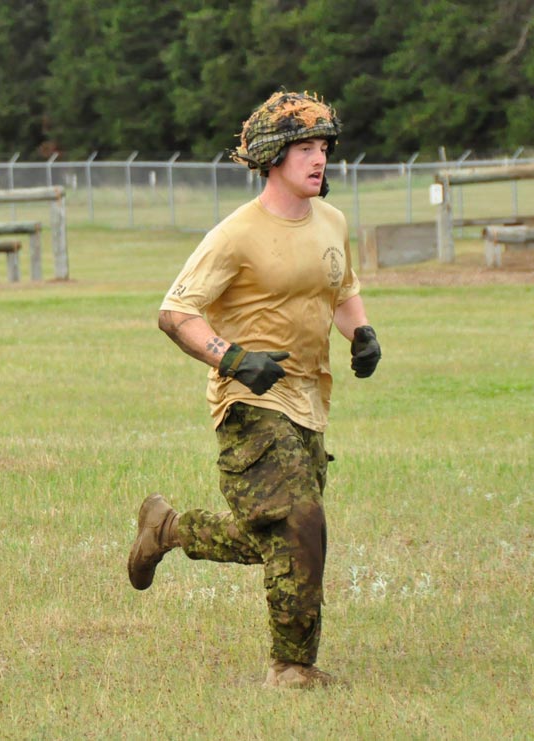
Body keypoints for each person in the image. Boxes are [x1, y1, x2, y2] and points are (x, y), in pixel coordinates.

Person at [127, 90, 381, 689]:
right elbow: (175, 312)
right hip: (248, 404)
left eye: (324, 148)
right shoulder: (235, 234)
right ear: (272, 157)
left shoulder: (332, 221)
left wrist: (362, 332)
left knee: (276, 534)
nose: (319, 160)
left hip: (309, 403)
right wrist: (233, 359)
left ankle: (166, 530)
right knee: (301, 520)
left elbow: (342, 289)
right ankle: (292, 668)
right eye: (304, 149)